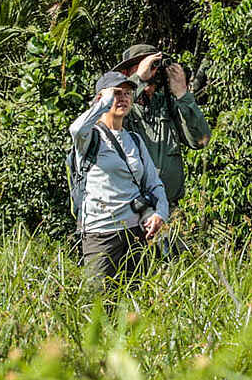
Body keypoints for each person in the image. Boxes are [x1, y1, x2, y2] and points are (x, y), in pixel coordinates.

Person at [68, 71, 168, 285]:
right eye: (116, 93)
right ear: (100, 99)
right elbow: (76, 129)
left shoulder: (135, 139)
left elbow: (154, 183)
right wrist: (103, 103)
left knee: (133, 303)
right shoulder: (90, 137)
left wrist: (161, 213)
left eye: (128, 93)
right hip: (100, 233)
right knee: (97, 304)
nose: (123, 98)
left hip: (135, 231)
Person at [112, 43, 211, 213]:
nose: (152, 72)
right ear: (126, 74)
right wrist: (138, 81)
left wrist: (182, 94)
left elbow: (201, 140)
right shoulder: (119, 107)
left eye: (155, 66)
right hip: (128, 210)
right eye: (145, 66)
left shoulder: (166, 104)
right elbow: (104, 121)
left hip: (168, 209)